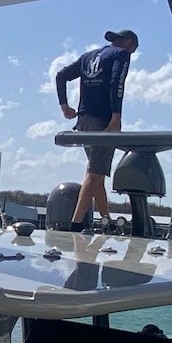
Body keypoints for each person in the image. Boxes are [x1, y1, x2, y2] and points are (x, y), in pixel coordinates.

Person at [55, 28, 137, 230]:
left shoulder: (88, 56)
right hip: (103, 120)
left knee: (96, 171)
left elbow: (61, 76)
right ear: (130, 44)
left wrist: (64, 105)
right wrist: (116, 116)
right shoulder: (121, 54)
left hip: (83, 120)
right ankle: (75, 224)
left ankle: (107, 220)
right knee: (94, 174)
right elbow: (116, 82)